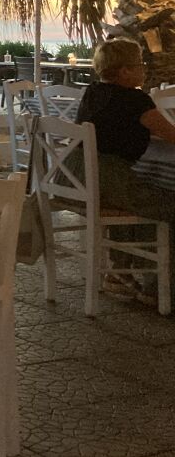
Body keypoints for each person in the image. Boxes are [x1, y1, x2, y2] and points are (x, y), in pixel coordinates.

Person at [75, 38, 175, 303]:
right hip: (108, 179)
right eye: (139, 64)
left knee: (143, 199)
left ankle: (120, 272)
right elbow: (170, 134)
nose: (144, 69)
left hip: (78, 177)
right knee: (167, 203)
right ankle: (159, 288)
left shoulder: (93, 91)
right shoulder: (135, 100)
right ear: (124, 71)